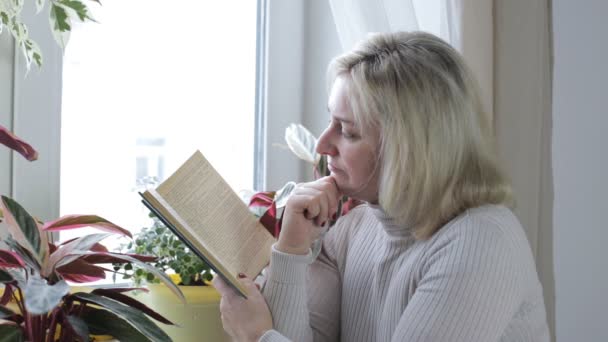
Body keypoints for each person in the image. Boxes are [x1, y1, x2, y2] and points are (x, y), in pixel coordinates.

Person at [212, 31, 550, 342]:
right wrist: (292, 248)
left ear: (410, 148)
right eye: (331, 121)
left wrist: (257, 336)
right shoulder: (354, 229)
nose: (323, 145)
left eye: (348, 131)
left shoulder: (480, 243)